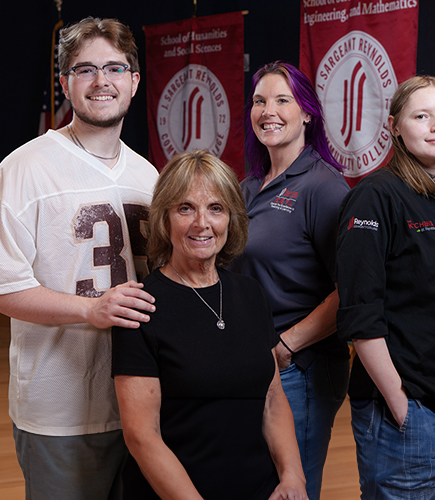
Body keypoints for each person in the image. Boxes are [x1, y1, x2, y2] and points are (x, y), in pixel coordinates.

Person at [0, 17, 159, 499]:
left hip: (139, 403)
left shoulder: (148, 176)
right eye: (84, 69)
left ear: (134, 80)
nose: (101, 81)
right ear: (65, 81)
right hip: (60, 410)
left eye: (115, 68)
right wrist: (90, 310)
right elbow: (5, 288)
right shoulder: (24, 167)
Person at [112, 149, 307, 500]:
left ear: (231, 218)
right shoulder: (140, 307)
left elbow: (273, 400)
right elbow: (142, 436)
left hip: (258, 490)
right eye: (185, 208)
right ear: (164, 219)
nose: (202, 223)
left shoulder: (250, 294)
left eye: (215, 208)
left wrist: (293, 478)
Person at [336, 75, 435, 499]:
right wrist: (403, 407)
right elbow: (360, 314)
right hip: (409, 413)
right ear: (394, 127)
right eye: (422, 116)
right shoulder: (375, 196)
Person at [228, 61, 351, 500]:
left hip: (301, 368)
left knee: (291, 487)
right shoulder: (247, 187)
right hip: (254, 364)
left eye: (283, 100)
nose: (269, 111)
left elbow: (352, 290)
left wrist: (288, 344)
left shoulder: (324, 187)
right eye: (260, 101)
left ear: (308, 113)